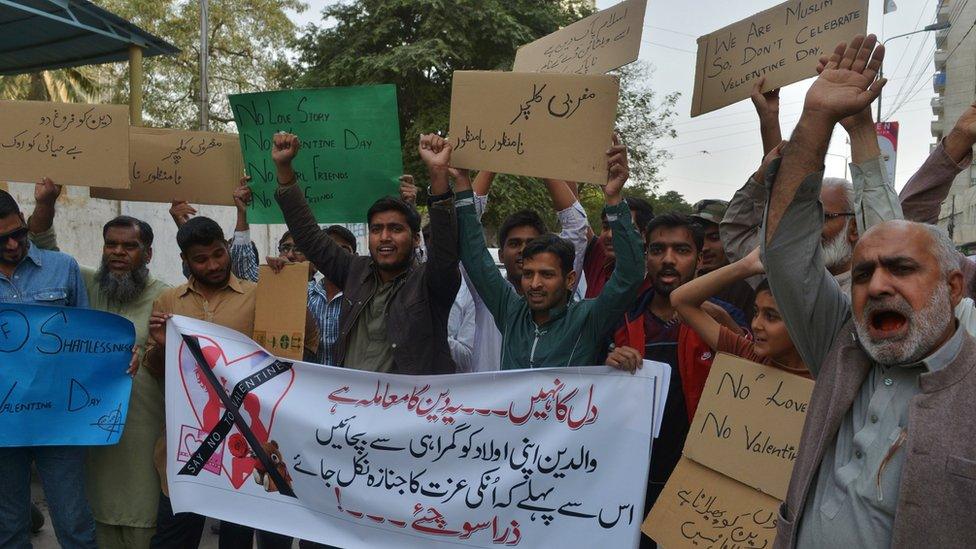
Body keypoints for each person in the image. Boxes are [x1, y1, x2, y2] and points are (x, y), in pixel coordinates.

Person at [762, 35, 975, 547]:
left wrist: (951, 148)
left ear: (953, 288)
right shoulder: (843, 345)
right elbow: (788, 254)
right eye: (861, 275)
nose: (878, 285)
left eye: (902, 270)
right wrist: (816, 118)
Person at [27, 179, 170, 549]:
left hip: (144, 435)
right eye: (112, 245)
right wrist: (46, 201)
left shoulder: (168, 298)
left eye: (130, 246)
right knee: (94, 526)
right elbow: (41, 246)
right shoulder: (85, 284)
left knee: (145, 525)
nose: (118, 253)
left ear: (149, 254)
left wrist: (154, 353)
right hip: (91, 438)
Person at [144, 216, 302, 549]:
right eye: (201, 259)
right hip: (188, 448)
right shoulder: (169, 302)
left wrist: (285, 283)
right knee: (173, 538)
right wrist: (161, 344)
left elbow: (298, 345)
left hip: (245, 446)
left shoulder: (258, 294)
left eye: (218, 254)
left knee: (236, 540)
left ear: (227, 248)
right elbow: (157, 370)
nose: (213, 264)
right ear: (185, 261)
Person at [603, 212, 747, 549]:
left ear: (699, 260)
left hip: (702, 482)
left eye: (681, 250)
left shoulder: (725, 318)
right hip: (633, 484)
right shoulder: (622, 320)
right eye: (658, 250)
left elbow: (756, 379)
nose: (668, 260)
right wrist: (609, 364)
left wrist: (722, 323)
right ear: (646, 257)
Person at [271, 131, 460, 375]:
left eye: (395, 229)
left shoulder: (430, 284)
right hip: (349, 405)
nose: (384, 237)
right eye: (377, 229)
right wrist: (285, 170)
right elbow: (310, 238)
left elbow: (445, 252)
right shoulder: (355, 272)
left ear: (415, 239)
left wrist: (438, 174)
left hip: (408, 408)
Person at [455, 134, 644, 369]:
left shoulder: (588, 318)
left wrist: (614, 198)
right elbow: (474, 255)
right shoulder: (511, 312)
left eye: (546, 275)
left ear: (570, 279)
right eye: (528, 274)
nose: (534, 284)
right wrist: (462, 182)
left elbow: (630, 276)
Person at [723, 74, 902, 295]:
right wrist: (769, 122)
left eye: (824, 217)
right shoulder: (784, 276)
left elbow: (890, 240)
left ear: (854, 227)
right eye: (806, 219)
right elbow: (738, 231)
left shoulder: (874, 289)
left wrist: (860, 130)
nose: (811, 229)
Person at [0, 187, 94, 548]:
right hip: (4, 426)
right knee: (9, 527)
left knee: (74, 524)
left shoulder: (63, 267)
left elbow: (88, 341)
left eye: (17, 233)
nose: (12, 245)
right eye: (2, 239)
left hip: (58, 420)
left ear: (25, 221)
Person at [454, 169, 590, 373]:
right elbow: (467, 233)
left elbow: (577, 227)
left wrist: (542, 162)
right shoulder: (489, 296)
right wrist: (489, 159)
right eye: (515, 243)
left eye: (532, 243)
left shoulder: (566, 299)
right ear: (500, 255)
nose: (523, 250)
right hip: (489, 404)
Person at [670, 248, 809, 378]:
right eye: (755, 312)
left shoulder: (825, 376)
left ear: (803, 323)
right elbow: (680, 300)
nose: (756, 325)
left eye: (771, 316)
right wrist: (747, 265)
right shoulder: (748, 355)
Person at [690, 198, 755, 318]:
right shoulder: (682, 279)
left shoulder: (749, 285)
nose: (704, 248)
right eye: (699, 239)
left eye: (714, 237)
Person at [582, 195, 654, 299]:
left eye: (622, 228)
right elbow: (571, 212)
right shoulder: (598, 257)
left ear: (644, 235)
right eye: (606, 227)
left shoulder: (659, 282)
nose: (610, 235)